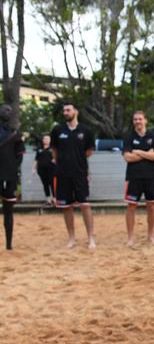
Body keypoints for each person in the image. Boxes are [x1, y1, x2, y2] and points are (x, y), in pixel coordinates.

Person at [50, 102, 96, 249]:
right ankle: (71, 238)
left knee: (85, 205)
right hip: (62, 174)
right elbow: (54, 151)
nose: (65, 113)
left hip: (80, 174)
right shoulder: (57, 130)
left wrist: (78, 162)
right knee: (66, 207)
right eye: (64, 110)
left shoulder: (86, 131)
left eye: (68, 110)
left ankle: (90, 238)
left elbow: (88, 152)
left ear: (76, 111)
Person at [123, 110, 154, 246]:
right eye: (135, 119)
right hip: (133, 177)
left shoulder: (153, 136)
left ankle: (150, 236)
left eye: (140, 119)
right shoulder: (129, 137)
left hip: (150, 177)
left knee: (151, 206)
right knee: (131, 206)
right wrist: (148, 153)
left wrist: (138, 152)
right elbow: (127, 157)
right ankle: (130, 238)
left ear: (145, 120)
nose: (138, 121)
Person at [0, 105, 24, 250]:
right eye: (5, 109)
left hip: (10, 176)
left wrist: (13, 166)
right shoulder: (12, 135)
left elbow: (20, 153)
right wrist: (10, 139)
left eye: (10, 110)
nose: (8, 112)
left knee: (9, 210)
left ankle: (9, 245)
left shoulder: (14, 132)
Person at [33, 134, 56, 206]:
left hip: (51, 169)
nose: (46, 140)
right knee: (45, 184)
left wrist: (55, 160)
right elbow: (36, 160)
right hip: (41, 170)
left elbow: (58, 157)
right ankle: (48, 200)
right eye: (45, 139)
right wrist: (33, 168)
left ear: (50, 140)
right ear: (42, 140)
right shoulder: (39, 149)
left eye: (48, 139)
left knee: (52, 184)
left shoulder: (53, 148)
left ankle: (54, 199)